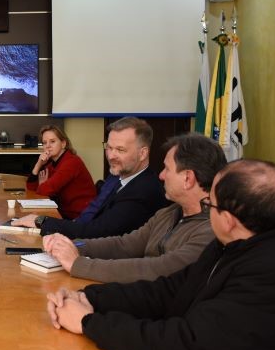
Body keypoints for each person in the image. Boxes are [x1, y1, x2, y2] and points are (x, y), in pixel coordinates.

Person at [46, 159, 275, 350]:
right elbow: (168, 289)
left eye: (210, 204)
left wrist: (88, 323)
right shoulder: (233, 243)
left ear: (228, 220)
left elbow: (190, 345)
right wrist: (89, 297)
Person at [42, 133, 226, 283]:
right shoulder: (169, 213)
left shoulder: (212, 230)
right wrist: (71, 245)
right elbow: (125, 245)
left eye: (167, 169)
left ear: (188, 178)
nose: (161, 175)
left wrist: (78, 264)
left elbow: (157, 269)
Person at [12, 117, 168, 238]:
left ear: (143, 153)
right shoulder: (117, 175)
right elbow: (92, 211)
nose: (111, 156)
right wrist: (69, 225)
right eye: (109, 148)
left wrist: (42, 222)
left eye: (120, 150)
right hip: (82, 229)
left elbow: (100, 231)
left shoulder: (144, 191)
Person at [26, 125, 96, 219]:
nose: (48, 146)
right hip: (64, 211)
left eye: (52, 141)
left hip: (80, 217)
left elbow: (44, 190)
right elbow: (31, 187)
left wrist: (42, 185)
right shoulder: (53, 163)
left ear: (63, 143)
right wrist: (39, 164)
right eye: (44, 143)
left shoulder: (71, 162)